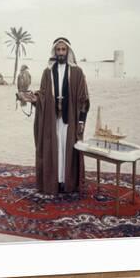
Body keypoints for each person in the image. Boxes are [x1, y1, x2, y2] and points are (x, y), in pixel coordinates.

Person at [26, 37, 90, 194]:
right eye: (58, 49)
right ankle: (55, 181)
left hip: (70, 119)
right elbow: (43, 94)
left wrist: (81, 120)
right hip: (52, 118)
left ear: (68, 51)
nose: (61, 52)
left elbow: (83, 98)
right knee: (55, 148)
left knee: (67, 148)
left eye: (63, 49)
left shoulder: (77, 72)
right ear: (54, 51)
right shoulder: (47, 72)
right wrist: (34, 98)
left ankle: (67, 182)